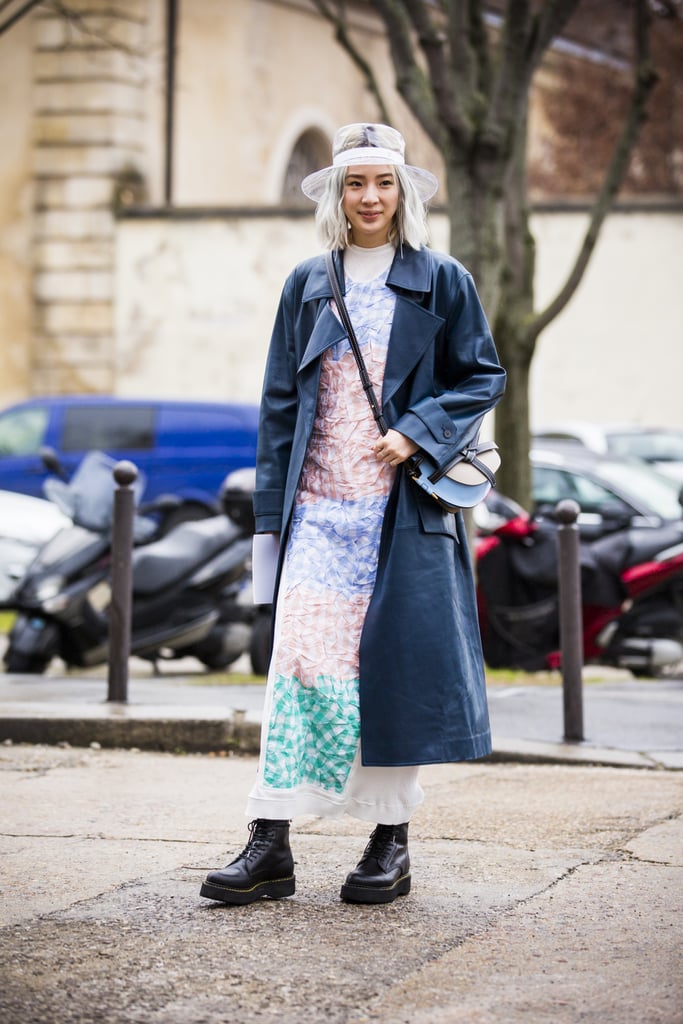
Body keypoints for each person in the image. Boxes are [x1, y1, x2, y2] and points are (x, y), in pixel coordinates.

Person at [200, 122, 506, 907]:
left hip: (400, 519)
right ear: (335, 195)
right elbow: (278, 407)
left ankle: (387, 843)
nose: (369, 198)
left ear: (403, 192)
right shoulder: (308, 282)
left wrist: (416, 431)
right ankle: (270, 843)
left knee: (389, 677)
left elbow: (481, 376)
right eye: (353, 183)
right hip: (318, 514)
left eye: (383, 182)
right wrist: (272, 520)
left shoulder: (442, 280)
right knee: (298, 668)